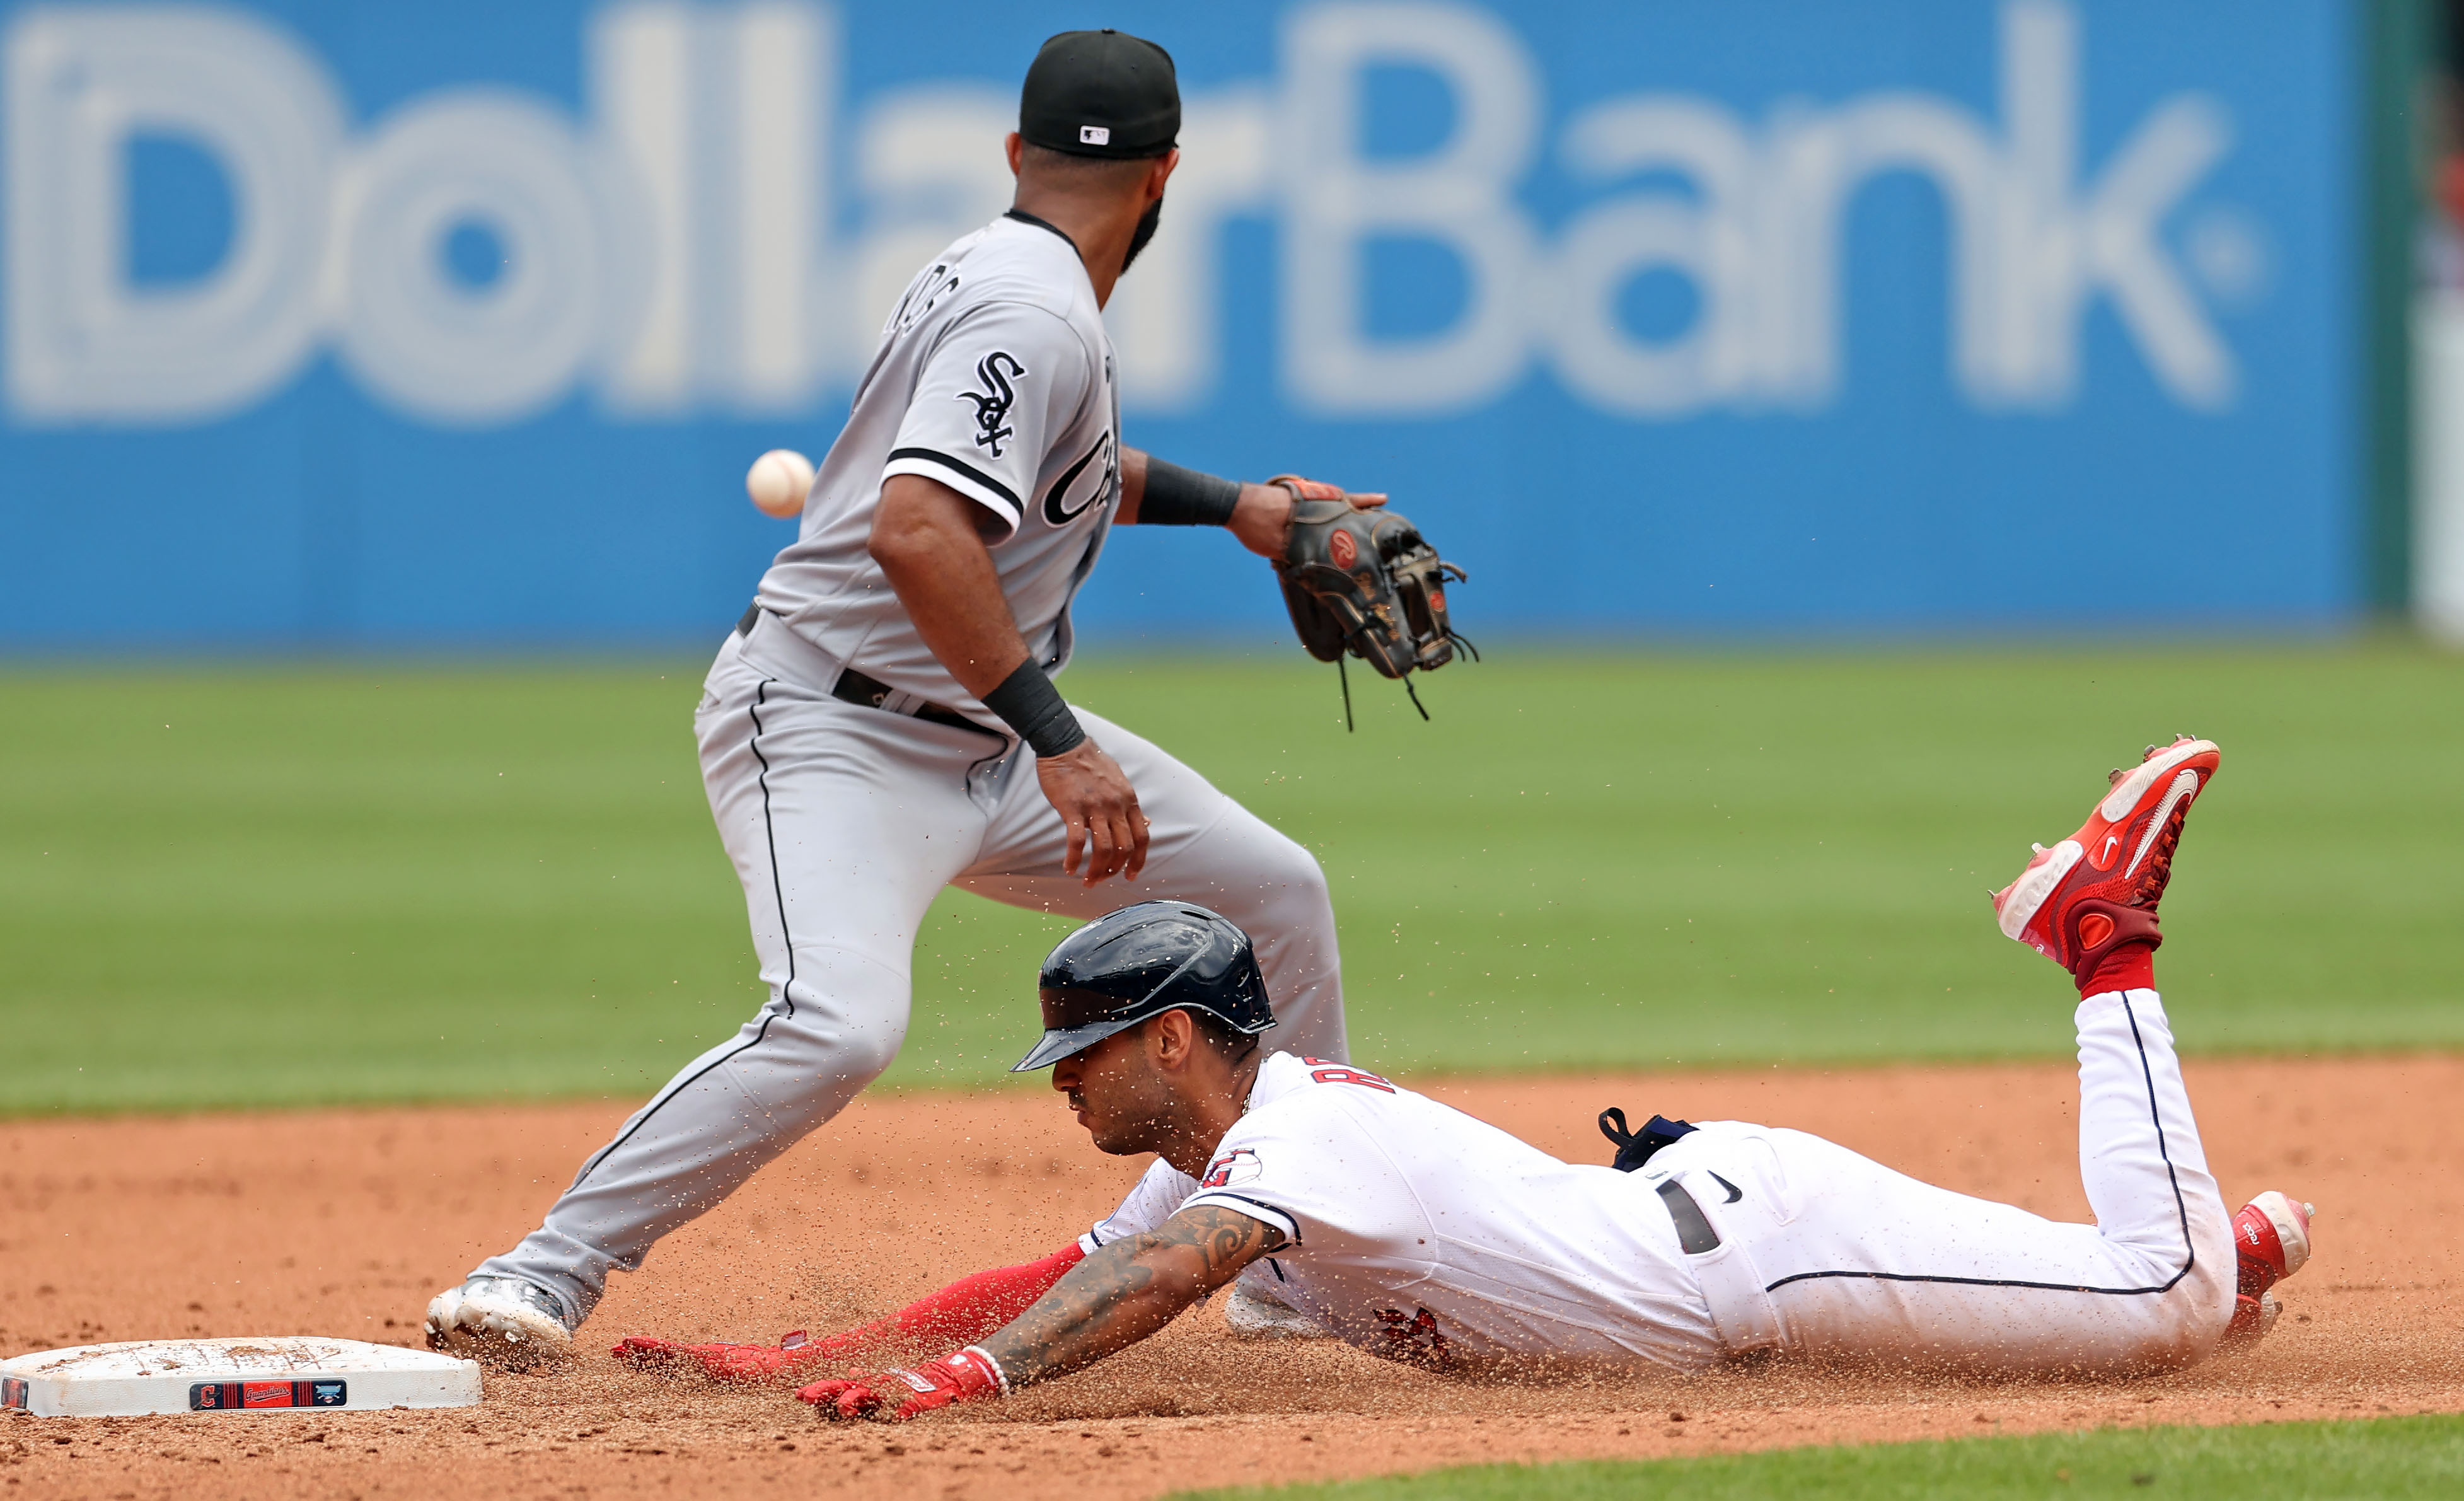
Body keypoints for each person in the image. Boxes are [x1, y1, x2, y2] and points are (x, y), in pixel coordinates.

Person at [426, 28, 1375, 1364]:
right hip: (834, 729)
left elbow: (1068, 465)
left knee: (1274, 892)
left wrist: (1240, 510)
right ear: (1166, 175)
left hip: (977, 727)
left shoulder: (1008, 277)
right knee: (836, 1024)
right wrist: (1058, 740)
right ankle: (540, 1273)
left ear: (1014, 156)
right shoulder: (1030, 307)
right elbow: (917, 530)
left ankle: (1285, 1257)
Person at [611, 737, 2318, 1415]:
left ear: (1177, 1037)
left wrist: (964, 1386)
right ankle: (2221, 1243)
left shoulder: (1295, 1141)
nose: (1059, 1082)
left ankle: (2097, 932)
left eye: (1084, 1050)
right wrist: (803, 1349)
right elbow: (1059, 1264)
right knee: (2144, 1303)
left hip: (1762, 1247)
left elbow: (1157, 1275)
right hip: (1718, 1233)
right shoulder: (1228, 1147)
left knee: (2157, 1311)